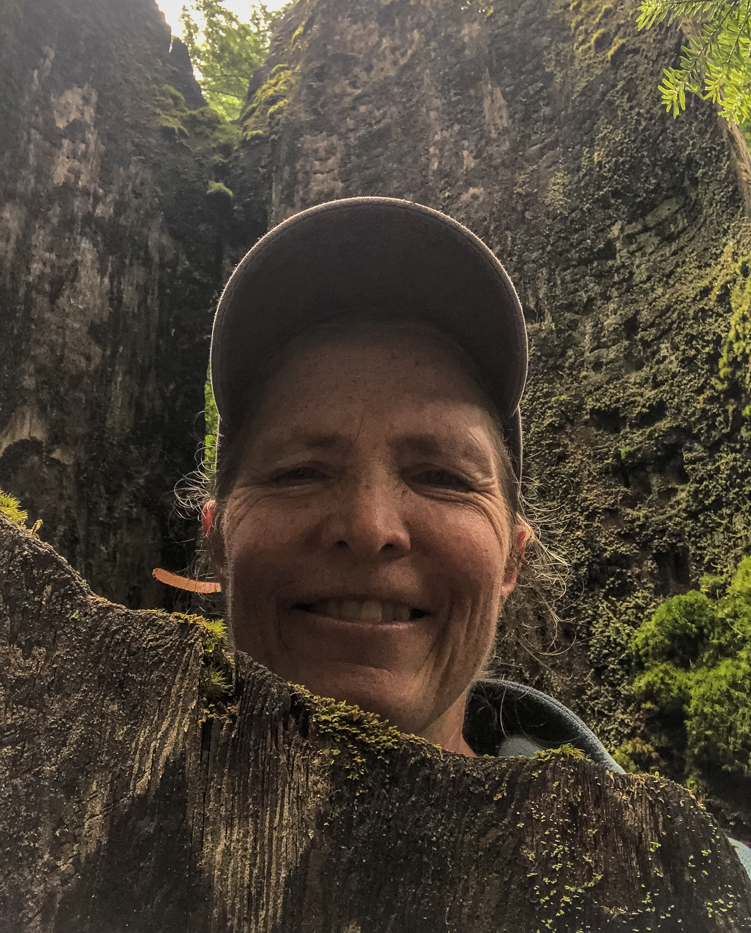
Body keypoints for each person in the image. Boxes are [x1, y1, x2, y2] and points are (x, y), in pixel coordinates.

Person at [162, 197, 751, 873]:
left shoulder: (701, 891)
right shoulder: (56, 848)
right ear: (217, 538)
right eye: (298, 471)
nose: (369, 527)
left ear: (511, 559)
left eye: (440, 475)